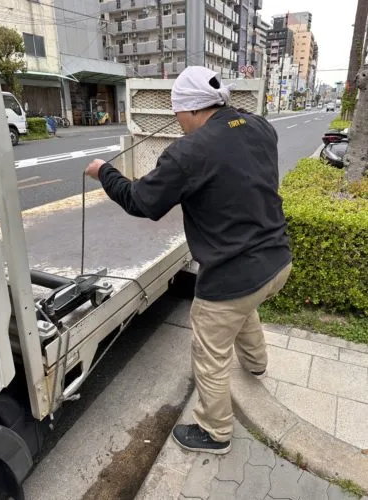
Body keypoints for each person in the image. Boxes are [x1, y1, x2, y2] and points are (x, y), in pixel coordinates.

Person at [85, 66, 292, 455]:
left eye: (177, 112)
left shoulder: (189, 152)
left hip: (232, 273)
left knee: (210, 349)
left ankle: (215, 433)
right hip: (277, 259)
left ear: (193, 109)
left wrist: (104, 172)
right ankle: (257, 363)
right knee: (244, 305)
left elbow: (141, 201)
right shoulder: (259, 126)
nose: (177, 121)